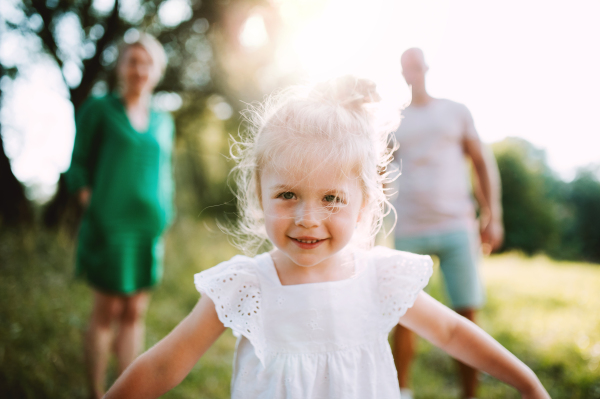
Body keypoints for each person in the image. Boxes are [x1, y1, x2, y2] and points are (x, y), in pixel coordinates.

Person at [103, 76, 548, 399]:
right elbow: (166, 363)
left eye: (332, 197)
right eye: (288, 194)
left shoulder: (379, 277)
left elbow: (451, 332)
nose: (307, 218)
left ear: (365, 202)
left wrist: (525, 381)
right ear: (259, 193)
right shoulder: (246, 284)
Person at [65, 33, 175, 399]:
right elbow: (78, 166)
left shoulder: (163, 120)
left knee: (134, 312)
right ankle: (97, 392)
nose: (139, 69)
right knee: (107, 311)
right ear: (120, 67)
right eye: (132, 61)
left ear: (157, 70)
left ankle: (125, 392)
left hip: (147, 229)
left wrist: (166, 217)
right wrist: (92, 206)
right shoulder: (99, 109)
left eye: (147, 63)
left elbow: (165, 173)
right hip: (109, 226)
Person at [391, 47, 504, 399]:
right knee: (401, 314)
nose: (413, 70)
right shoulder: (393, 119)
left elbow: (481, 163)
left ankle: (469, 395)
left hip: (457, 225)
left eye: (416, 63)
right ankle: (400, 391)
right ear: (402, 73)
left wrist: (493, 215)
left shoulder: (455, 111)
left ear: (426, 66)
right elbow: (377, 173)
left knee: (466, 314)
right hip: (409, 226)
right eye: (406, 66)